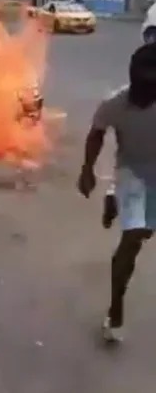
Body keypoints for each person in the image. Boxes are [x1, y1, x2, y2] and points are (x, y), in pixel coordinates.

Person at [77, 42, 156, 343]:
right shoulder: (115, 103)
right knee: (133, 238)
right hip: (132, 173)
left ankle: (113, 199)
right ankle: (116, 307)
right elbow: (96, 133)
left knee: (145, 231)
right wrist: (86, 171)